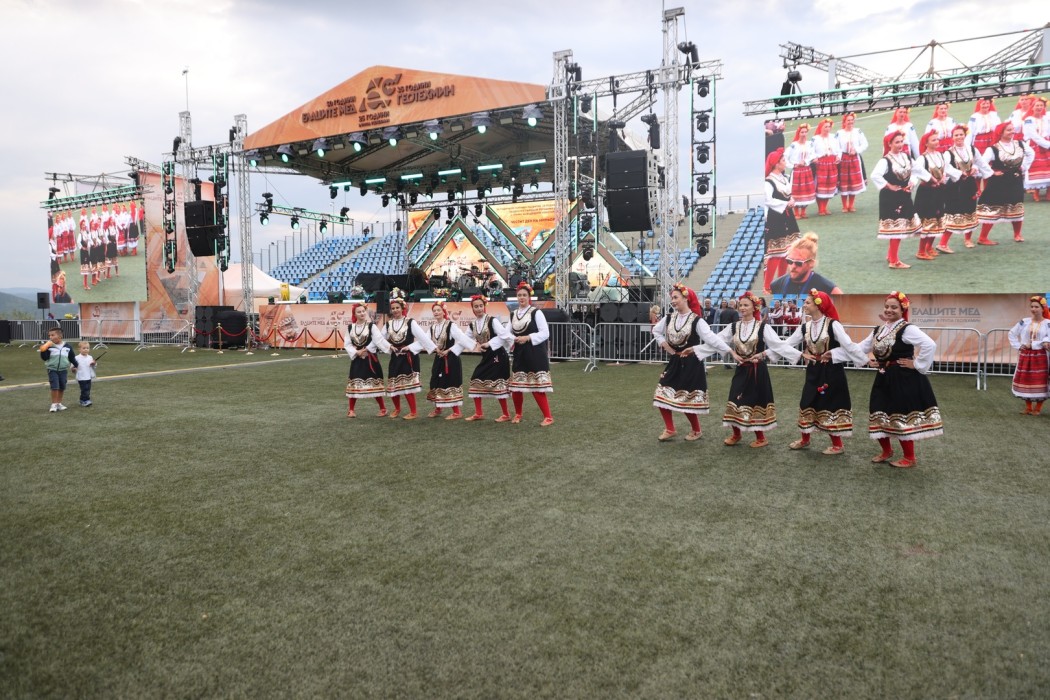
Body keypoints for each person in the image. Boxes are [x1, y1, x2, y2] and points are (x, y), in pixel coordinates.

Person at [857, 291, 943, 468]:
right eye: (887, 306)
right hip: (884, 376)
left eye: (894, 307)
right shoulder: (879, 330)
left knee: (901, 414)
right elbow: (860, 348)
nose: (889, 310)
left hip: (903, 378)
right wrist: (862, 359)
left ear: (902, 309)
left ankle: (909, 457)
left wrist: (916, 364)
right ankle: (886, 451)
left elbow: (929, 344)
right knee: (878, 411)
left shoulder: (907, 328)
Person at [783, 290, 869, 455]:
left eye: (808, 302)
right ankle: (805, 439)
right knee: (807, 401)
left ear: (818, 305)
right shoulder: (805, 327)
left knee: (830, 404)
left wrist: (866, 360)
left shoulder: (833, 324)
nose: (804, 305)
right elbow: (786, 344)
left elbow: (849, 345)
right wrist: (800, 354)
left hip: (831, 370)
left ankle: (838, 445)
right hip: (813, 370)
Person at [716, 292, 801, 448]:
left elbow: (779, 345)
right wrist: (731, 352)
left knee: (755, 401)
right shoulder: (734, 326)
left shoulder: (763, 327)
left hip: (757, 370)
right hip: (741, 369)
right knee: (734, 399)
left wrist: (799, 355)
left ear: (754, 307)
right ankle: (736, 434)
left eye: (746, 305)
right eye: (741, 305)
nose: (742, 308)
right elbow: (717, 340)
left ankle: (761, 438)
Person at [651, 284, 733, 441]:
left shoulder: (697, 320)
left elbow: (712, 339)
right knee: (661, 393)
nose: (673, 301)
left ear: (686, 298)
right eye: (672, 298)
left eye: (676, 297)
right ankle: (670, 428)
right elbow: (656, 330)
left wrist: (730, 351)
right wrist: (664, 344)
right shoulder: (669, 317)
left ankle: (696, 430)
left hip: (691, 363)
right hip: (675, 361)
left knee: (686, 398)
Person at [381, 288, 436, 420]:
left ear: (402, 308)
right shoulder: (388, 324)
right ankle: (397, 409)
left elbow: (423, 338)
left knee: (408, 386)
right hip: (395, 357)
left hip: (408, 358)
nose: (395, 310)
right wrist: (389, 347)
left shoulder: (410, 322)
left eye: (397, 308)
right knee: (393, 384)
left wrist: (410, 347)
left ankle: (413, 411)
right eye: (393, 308)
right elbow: (380, 339)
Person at [976, 122, 1035, 244]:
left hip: (1015, 180)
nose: (1012, 132)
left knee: (1016, 205)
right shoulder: (993, 149)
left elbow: (1031, 154)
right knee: (993, 206)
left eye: (1012, 129)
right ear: (1001, 133)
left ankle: (1017, 234)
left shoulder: (1020, 144)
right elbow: (982, 162)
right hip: (998, 183)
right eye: (1009, 130)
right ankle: (983, 238)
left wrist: (1024, 167)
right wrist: (991, 172)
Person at [504, 282, 554, 426]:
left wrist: (528, 337)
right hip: (520, 353)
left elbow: (545, 333)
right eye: (519, 295)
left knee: (537, 386)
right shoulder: (513, 314)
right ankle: (518, 414)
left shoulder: (536, 312)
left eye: (524, 295)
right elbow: (506, 334)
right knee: (516, 387)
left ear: (529, 297)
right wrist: (512, 340)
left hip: (535, 352)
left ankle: (548, 416)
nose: (521, 298)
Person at [871, 132, 921, 269]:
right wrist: (889, 185)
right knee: (896, 229)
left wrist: (912, 182)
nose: (900, 145)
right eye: (897, 142)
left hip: (904, 196)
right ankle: (894, 260)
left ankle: (890, 256)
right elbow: (875, 175)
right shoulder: (885, 160)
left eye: (901, 141)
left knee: (899, 227)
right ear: (890, 144)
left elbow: (917, 170)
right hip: (890, 198)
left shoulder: (906, 157)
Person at [912, 131, 961, 261]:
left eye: (937, 139)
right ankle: (921, 251)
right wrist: (913, 183)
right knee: (927, 221)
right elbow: (916, 172)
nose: (937, 142)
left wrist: (958, 175)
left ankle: (929, 247)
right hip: (926, 193)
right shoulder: (922, 158)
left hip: (939, 191)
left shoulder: (940, 155)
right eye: (933, 140)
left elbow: (947, 169)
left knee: (937, 218)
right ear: (926, 143)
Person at [943, 124, 993, 250]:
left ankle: (968, 239)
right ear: (952, 137)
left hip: (969, 184)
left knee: (970, 210)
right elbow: (945, 167)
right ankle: (943, 243)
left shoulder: (971, 149)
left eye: (961, 134)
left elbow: (980, 162)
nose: (959, 137)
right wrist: (959, 173)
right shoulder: (948, 153)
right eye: (956, 135)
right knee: (953, 212)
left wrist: (976, 168)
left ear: (965, 135)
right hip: (955, 185)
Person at [465, 294, 511, 422]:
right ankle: (479, 413)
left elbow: (504, 336)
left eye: (481, 306)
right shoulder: (472, 324)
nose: (479, 309)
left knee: (499, 383)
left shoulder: (492, 320)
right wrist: (475, 346)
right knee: (475, 379)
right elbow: (465, 339)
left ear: (484, 306)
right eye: (476, 307)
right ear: (472, 309)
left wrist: (489, 343)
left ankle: (506, 414)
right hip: (486, 356)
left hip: (498, 355)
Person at [762, 148, 801, 295]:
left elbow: (788, 194)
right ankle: (767, 286)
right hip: (776, 218)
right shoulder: (768, 181)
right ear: (776, 164)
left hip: (787, 216)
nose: (785, 162)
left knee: (787, 251)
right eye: (783, 160)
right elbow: (768, 200)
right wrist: (785, 204)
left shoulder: (785, 178)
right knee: (776, 252)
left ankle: (781, 282)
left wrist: (792, 200)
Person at [426, 301, 472, 420]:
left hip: (450, 359)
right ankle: (438, 408)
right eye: (434, 311)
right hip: (439, 358)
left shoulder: (451, 325)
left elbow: (463, 339)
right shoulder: (432, 327)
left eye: (438, 310)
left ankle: (457, 412)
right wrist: (435, 348)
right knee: (435, 381)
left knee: (450, 382)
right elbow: (426, 340)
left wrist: (449, 350)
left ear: (444, 312)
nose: (436, 312)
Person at [343, 303, 390, 418]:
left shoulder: (371, 326)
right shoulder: (350, 328)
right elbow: (347, 344)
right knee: (354, 383)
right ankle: (351, 410)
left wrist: (366, 349)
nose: (362, 313)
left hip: (370, 359)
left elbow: (377, 340)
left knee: (374, 383)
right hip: (357, 360)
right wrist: (356, 352)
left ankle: (383, 408)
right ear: (354, 314)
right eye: (359, 312)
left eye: (363, 311)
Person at [1007, 296, 1050, 415]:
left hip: (1042, 356)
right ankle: (1028, 407)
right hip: (1026, 355)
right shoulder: (1024, 321)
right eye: (1032, 307)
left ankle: (1038, 408)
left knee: (1041, 380)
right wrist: (1019, 346)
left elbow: (1048, 338)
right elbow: (1012, 333)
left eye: (1036, 307)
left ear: (1043, 308)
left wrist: (1036, 344)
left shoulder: (1048, 323)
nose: (1033, 309)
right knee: (1026, 379)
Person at [768, 232, 842, 296]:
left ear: (811, 263)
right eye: (790, 261)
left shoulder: (828, 289)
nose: (793, 266)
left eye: (798, 263)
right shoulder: (776, 285)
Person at [39, 326, 79, 412]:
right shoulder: (50, 346)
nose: (50, 337)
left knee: (62, 387)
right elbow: (45, 358)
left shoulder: (67, 346)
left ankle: (59, 403)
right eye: (49, 335)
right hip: (52, 369)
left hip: (63, 370)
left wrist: (76, 365)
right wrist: (43, 350)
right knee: (55, 386)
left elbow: (71, 357)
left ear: (60, 336)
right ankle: (54, 404)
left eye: (52, 335)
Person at [835, 112, 868, 213]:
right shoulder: (839, 133)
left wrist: (856, 150)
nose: (850, 122)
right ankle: (844, 206)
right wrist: (839, 156)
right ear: (844, 122)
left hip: (854, 158)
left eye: (851, 120)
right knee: (844, 182)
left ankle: (851, 205)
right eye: (848, 120)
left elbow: (865, 144)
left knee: (853, 181)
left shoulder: (858, 131)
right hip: (844, 158)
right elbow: (836, 146)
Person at [1022, 96, 1050, 201]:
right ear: (1032, 107)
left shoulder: (1046, 118)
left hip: (1046, 142)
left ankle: (1048, 191)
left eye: (1041, 105)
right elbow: (1033, 135)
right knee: (1037, 166)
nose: (1039, 107)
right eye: (1037, 105)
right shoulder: (1029, 120)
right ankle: (1036, 191)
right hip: (1035, 145)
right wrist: (1047, 144)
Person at [785, 124, 815, 219]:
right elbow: (785, 156)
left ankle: (803, 212)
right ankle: (796, 212)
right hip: (797, 171)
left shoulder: (809, 144)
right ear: (798, 133)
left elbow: (812, 155)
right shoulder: (794, 145)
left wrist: (806, 161)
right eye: (802, 132)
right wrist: (794, 165)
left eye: (805, 132)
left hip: (806, 170)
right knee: (796, 191)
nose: (804, 134)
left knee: (806, 190)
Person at [73, 341, 97, 407]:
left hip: (88, 376)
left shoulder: (90, 357)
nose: (86, 349)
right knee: (84, 389)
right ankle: (84, 400)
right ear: (79, 349)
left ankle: (86, 399)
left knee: (88, 389)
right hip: (81, 377)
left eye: (87, 348)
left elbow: (94, 366)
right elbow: (72, 367)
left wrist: (94, 363)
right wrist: (74, 369)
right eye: (84, 348)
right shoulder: (76, 358)